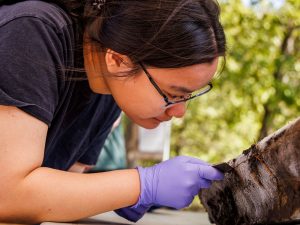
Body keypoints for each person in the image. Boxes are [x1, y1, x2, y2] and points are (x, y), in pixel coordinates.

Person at [0, 0, 226, 223]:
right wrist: (141, 185)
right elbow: (7, 196)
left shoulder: (109, 90)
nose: (179, 112)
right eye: (174, 93)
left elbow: (58, 193)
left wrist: (117, 193)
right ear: (118, 61)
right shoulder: (32, 32)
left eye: (189, 96)